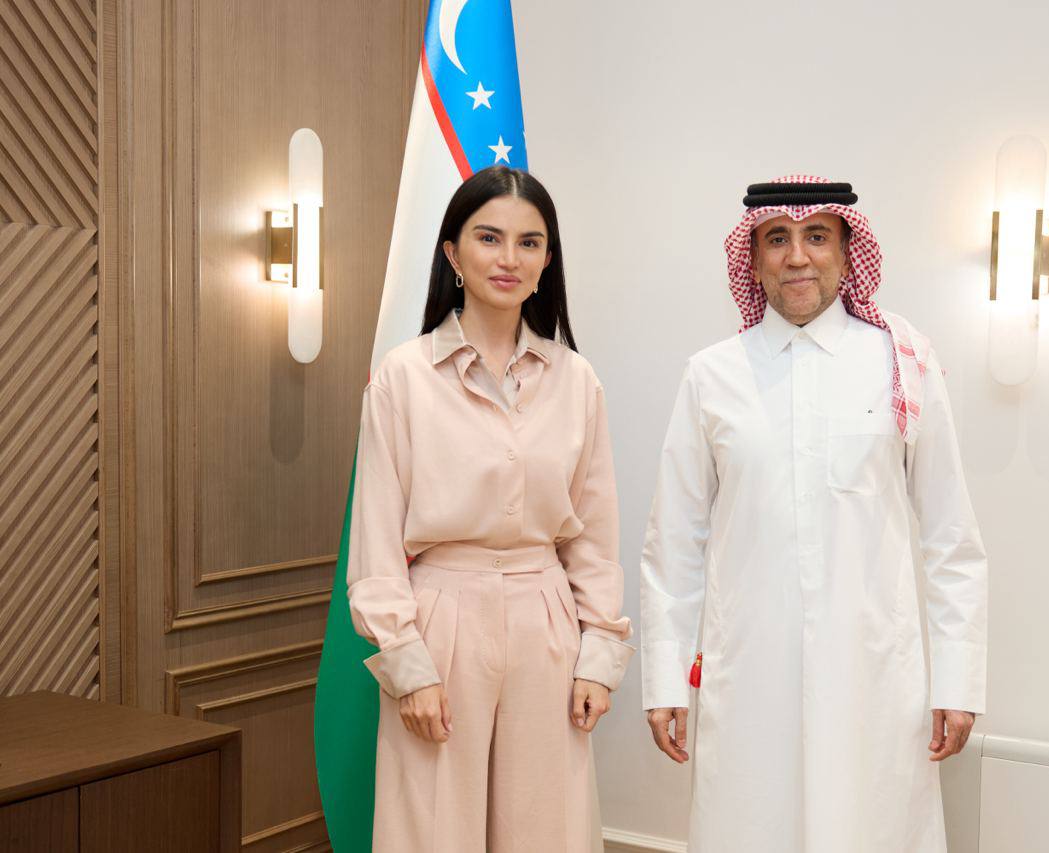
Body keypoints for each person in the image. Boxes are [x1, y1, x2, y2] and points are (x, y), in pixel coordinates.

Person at [640, 175, 988, 851]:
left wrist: (959, 677)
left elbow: (952, 538)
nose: (797, 256)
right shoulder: (711, 375)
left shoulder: (902, 362)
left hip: (872, 677)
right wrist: (664, 678)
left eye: (816, 237)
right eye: (777, 238)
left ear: (846, 251)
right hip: (751, 676)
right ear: (753, 259)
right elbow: (673, 542)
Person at [347, 165, 634, 852]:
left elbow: (594, 538)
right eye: (489, 237)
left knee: (547, 827)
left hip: (546, 618)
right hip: (439, 617)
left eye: (529, 242)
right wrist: (408, 665)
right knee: (431, 827)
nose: (509, 258)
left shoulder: (576, 379)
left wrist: (599, 655)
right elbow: (376, 540)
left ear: (547, 259)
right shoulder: (403, 377)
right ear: (452, 252)